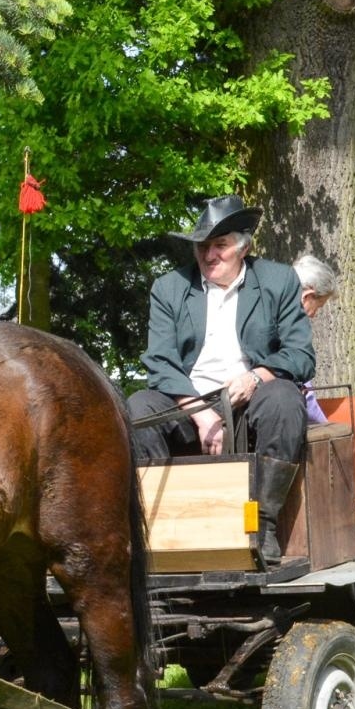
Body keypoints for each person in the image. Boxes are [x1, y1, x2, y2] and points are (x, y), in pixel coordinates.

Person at [127, 195, 315, 566]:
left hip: (249, 400)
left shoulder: (278, 280)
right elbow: (160, 362)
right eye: (202, 246)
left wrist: (257, 376)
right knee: (137, 408)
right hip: (188, 402)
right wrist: (201, 413)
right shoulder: (168, 288)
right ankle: (159, 527)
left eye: (220, 245)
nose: (209, 255)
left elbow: (301, 355)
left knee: (283, 398)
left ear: (243, 248)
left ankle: (262, 525)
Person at [292, 254, 339, 425]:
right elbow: (307, 397)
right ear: (307, 296)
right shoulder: (292, 329)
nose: (313, 315)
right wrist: (328, 429)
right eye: (317, 307)